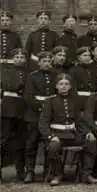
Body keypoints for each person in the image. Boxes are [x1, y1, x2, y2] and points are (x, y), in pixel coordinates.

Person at [38, 73, 97, 186]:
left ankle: (86, 174)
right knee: (53, 147)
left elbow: (79, 121)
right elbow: (43, 123)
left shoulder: (74, 100)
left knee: (91, 142)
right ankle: (57, 174)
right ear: (56, 86)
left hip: (71, 134)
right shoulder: (50, 101)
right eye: (61, 84)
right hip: (56, 134)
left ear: (70, 86)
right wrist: (51, 136)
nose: (64, 86)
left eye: (66, 84)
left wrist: (88, 132)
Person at [23, 51, 56, 183]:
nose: (47, 64)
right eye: (44, 61)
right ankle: (30, 171)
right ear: (39, 62)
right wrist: (42, 107)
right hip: (34, 114)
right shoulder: (32, 77)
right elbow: (28, 97)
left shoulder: (56, 76)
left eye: (49, 61)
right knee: (31, 143)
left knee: (49, 143)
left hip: (51, 116)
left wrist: (50, 110)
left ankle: (48, 171)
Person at [0, 48, 28, 181]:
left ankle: (20, 171)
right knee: (3, 140)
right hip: (7, 109)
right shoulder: (5, 72)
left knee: (21, 141)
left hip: (23, 110)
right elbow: (8, 86)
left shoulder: (29, 73)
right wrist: (21, 87)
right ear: (12, 59)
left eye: (22, 57)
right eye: (17, 57)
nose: (19, 59)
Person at [69, 47, 97, 111]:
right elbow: (73, 88)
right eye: (84, 55)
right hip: (80, 98)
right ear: (79, 57)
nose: (87, 58)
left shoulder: (93, 69)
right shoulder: (74, 70)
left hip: (92, 98)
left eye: (89, 55)